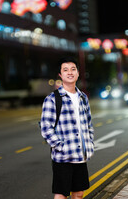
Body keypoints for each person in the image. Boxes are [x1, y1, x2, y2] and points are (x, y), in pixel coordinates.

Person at [40, 57, 94, 199]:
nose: (70, 72)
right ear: (60, 75)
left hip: (80, 156)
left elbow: (88, 124)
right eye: (65, 70)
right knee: (61, 195)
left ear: (77, 73)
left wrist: (90, 144)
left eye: (73, 69)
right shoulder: (52, 99)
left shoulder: (83, 97)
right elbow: (46, 127)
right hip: (63, 157)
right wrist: (60, 146)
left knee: (79, 194)